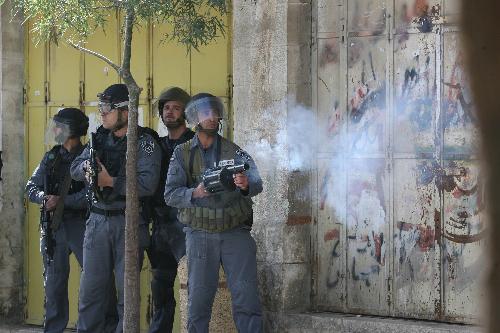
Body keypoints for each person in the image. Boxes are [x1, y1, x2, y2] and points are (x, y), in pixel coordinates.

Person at [164, 93, 264, 332]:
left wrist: (245, 184)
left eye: (214, 112)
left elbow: (257, 183)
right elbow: (170, 195)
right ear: (194, 118)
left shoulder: (234, 151)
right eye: (205, 113)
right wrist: (195, 193)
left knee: (246, 298)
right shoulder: (182, 153)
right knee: (198, 304)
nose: (212, 118)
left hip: (235, 232)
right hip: (200, 234)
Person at [70, 84, 161, 333]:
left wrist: (110, 182)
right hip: (97, 221)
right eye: (101, 108)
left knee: (127, 296)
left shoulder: (145, 142)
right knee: (90, 293)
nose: (102, 113)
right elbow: (75, 168)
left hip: (128, 221)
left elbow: (147, 184)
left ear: (127, 111)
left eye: (108, 109)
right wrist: (87, 170)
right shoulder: (98, 138)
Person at [25, 108, 89, 333]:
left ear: (73, 130)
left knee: (92, 285)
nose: (55, 130)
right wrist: (44, 198)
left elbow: (91, 195)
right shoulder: (52, 156)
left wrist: (62, 201)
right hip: (54, 228)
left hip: (82, 225)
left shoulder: (87, 157)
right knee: (54, 286)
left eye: (60, 126)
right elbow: (30, 186)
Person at [148, 87, 194, 333]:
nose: (170, 112)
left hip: (186, 226)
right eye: (166, 107)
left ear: (185, 113)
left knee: (192, 288)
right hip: (161, 227)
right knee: (160, 290)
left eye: (176, 108)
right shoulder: (156, 144)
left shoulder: (195, 143)